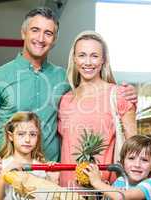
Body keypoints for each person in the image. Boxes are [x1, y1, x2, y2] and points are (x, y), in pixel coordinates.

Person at [0, 7, 137, 179]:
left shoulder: (64, 79)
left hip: (52, 176)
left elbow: (95, 91)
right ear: (23, 33)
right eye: (35, 30)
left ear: (54, 39)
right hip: (11, 173)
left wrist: (125, 94)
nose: (41, 39)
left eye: (48, 33)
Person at [58, 31, 137, 186]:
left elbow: (134, 146)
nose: (88, 62)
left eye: (94, 56)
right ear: (74, 59)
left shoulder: (119, 95)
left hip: (104, 188)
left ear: (103, 60)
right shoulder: (66, 99)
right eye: (82, 55)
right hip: (67, 189)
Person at [0, 112, 58, 200]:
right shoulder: (0, 166)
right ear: (10, 136)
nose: (27, 140)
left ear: (38, 137)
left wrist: (53, 181)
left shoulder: (42, 170)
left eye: (32, 134)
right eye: (21, 134)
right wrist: (3, 176)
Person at [83, 135, 151, 200]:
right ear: (123, 163)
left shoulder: (150, 185)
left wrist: (97, 182)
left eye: (144, 160)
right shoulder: (121, 181)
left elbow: (121, 196)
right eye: (131, 158)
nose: (137, 164)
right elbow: (110, 196)